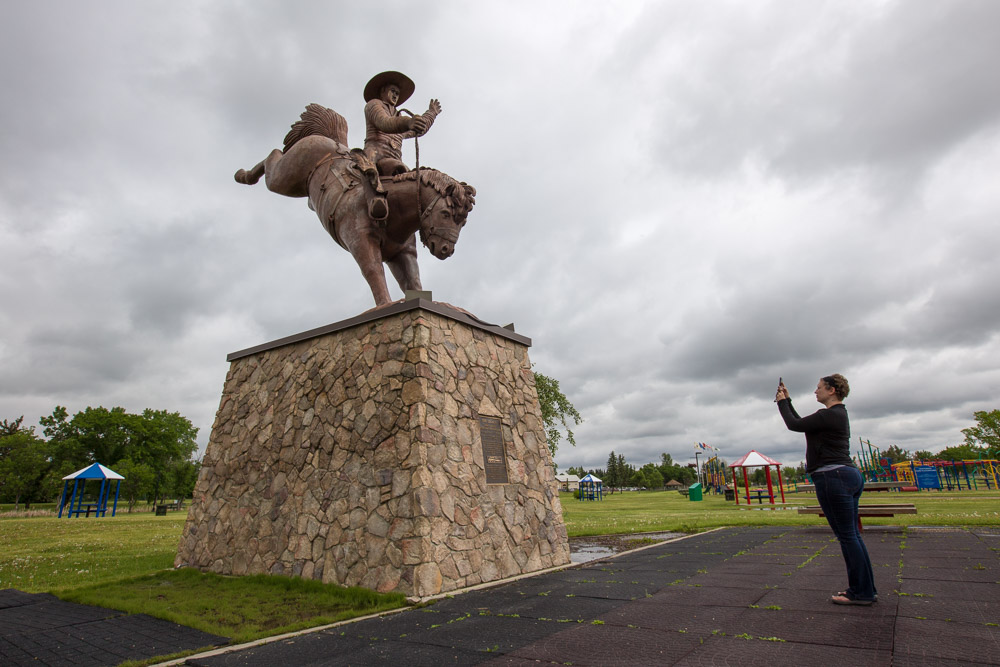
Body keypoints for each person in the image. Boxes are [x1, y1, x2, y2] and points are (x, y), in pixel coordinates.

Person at [776, 374, 877, 605]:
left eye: (819, 387)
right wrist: (787, 401)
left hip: (834, 477)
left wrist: (782, 402)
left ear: (832, 390)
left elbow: (794, 424)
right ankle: (864, 589)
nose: (815, 391)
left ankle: (862, 593)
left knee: (848, 536)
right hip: (847, 474)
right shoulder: (837, 415)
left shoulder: (829, 415)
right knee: (852, 535)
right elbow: (802, 422)